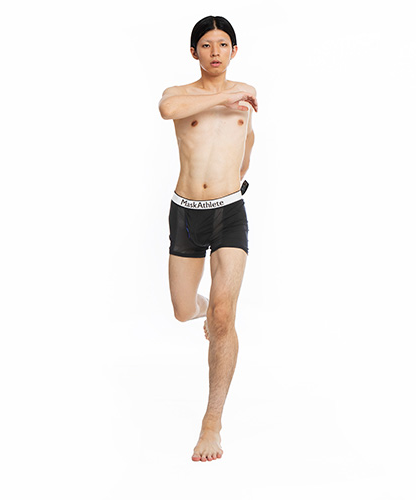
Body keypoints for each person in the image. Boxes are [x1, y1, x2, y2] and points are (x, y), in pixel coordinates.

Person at [158, 15, 258, 462]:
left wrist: (233, 180)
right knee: (185, 310)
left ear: (233, 51)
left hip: (228, 213)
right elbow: (167, 111)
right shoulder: (178, 94)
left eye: (222, 44)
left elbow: (247, 145)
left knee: (223, 315)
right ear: (193, 52)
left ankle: (211, 424)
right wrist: (227, 96)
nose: (215, 52)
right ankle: (202, 311)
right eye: (206, 45)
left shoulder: (245, 96)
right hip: (185, 213)